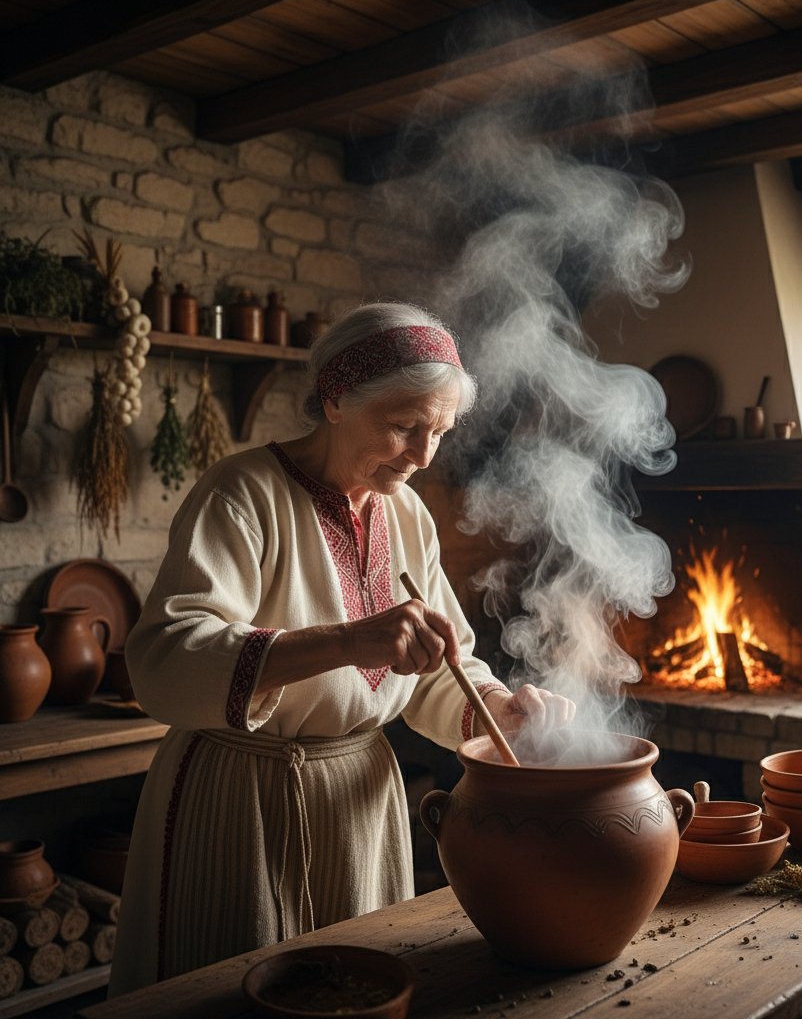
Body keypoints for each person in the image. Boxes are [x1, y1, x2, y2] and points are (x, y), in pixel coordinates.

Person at [109, 302, 576, 995]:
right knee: (227, 998)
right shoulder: (242, 494)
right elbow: (166, 660)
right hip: (243, 800)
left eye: (439, 432)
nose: (421, 455)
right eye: (402, 426)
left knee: (357, 996)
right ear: (333, 400)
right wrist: (346, 641)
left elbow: (443, 664)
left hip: (359, 804)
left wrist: (499, 710)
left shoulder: (407, 513)